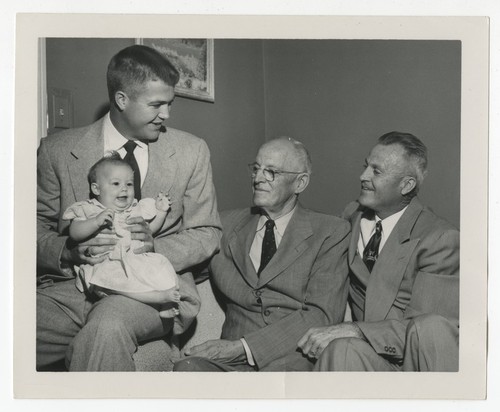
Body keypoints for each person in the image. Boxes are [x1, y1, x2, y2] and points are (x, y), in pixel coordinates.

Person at [37, 44, 222, 371]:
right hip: (72, 288)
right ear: (122, 100)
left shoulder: (192, 152)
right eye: (156, 104)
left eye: (169, 103)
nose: (166, 114)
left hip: (148, 291)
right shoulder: (57, 151)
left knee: (107, 328)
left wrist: (154, 245)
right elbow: (30, 232)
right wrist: (68, 252)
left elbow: (208, 232)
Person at [174, 137, 350, 372]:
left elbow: (322, 315)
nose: (258, 178)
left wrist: (242, 347)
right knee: (186, 370)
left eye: (271, 172)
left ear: (300, 183)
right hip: (229, 363)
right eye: (256, 169)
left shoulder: (330, 231)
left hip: (293, 357)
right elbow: (184, 267)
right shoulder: (225, 225)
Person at [298, 131, 459, 372]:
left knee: (430, 329)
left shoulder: (440, 238)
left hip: (413, 364)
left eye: (376, 171)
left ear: (406, 185)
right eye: (365, 166)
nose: (362, 176)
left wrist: (354, 329)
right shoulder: (351, 215)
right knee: (341, 350)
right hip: (370, 357)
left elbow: (428, 333)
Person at [62, 153, 182, 318]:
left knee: (159, 267)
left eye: (129, 184)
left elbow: (148, 230)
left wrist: (161, 212)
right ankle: (159, 298)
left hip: (133, 260)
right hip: (107, 264)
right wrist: (95, 222)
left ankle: (163, 303)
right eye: (116, 183)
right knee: (117, 283)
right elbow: (74, 233)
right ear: (96, 188)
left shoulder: (134, 209)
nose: (124, 188)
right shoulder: (89, 209)